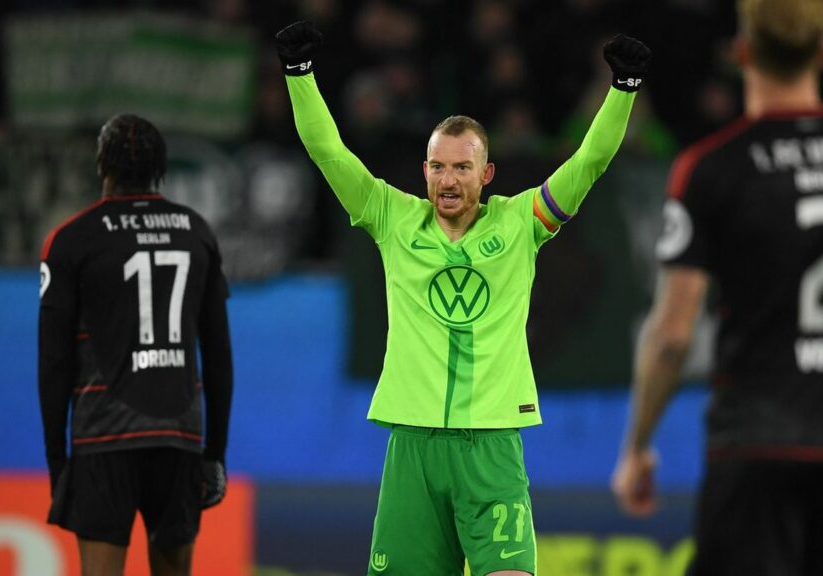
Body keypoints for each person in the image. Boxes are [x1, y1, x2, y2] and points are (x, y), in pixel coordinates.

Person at [276, 20, 649, 576]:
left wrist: (623, 91)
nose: (448, 180)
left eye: (462, 167)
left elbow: (588, 163)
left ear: (487, 174)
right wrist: (299, 76)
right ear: (425, 172)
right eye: (438, 167)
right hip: (414, 447)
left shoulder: (523, 222)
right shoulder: (391, 216)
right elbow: (327, 150)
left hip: (491, 446)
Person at [611, 0, 823, 574]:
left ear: (741, 52)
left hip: (755, 445)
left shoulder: (713, 168)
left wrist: (637, 447)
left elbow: (672, 336)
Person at [39, 114, 234, 576]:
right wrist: (214, 455)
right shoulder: (195, 232)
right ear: (160, 167)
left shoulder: (71, 239)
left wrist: (57, 460)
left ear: (101, 165)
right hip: (179, 435)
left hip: (103, 436)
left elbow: (53, 361)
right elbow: (219, 355)